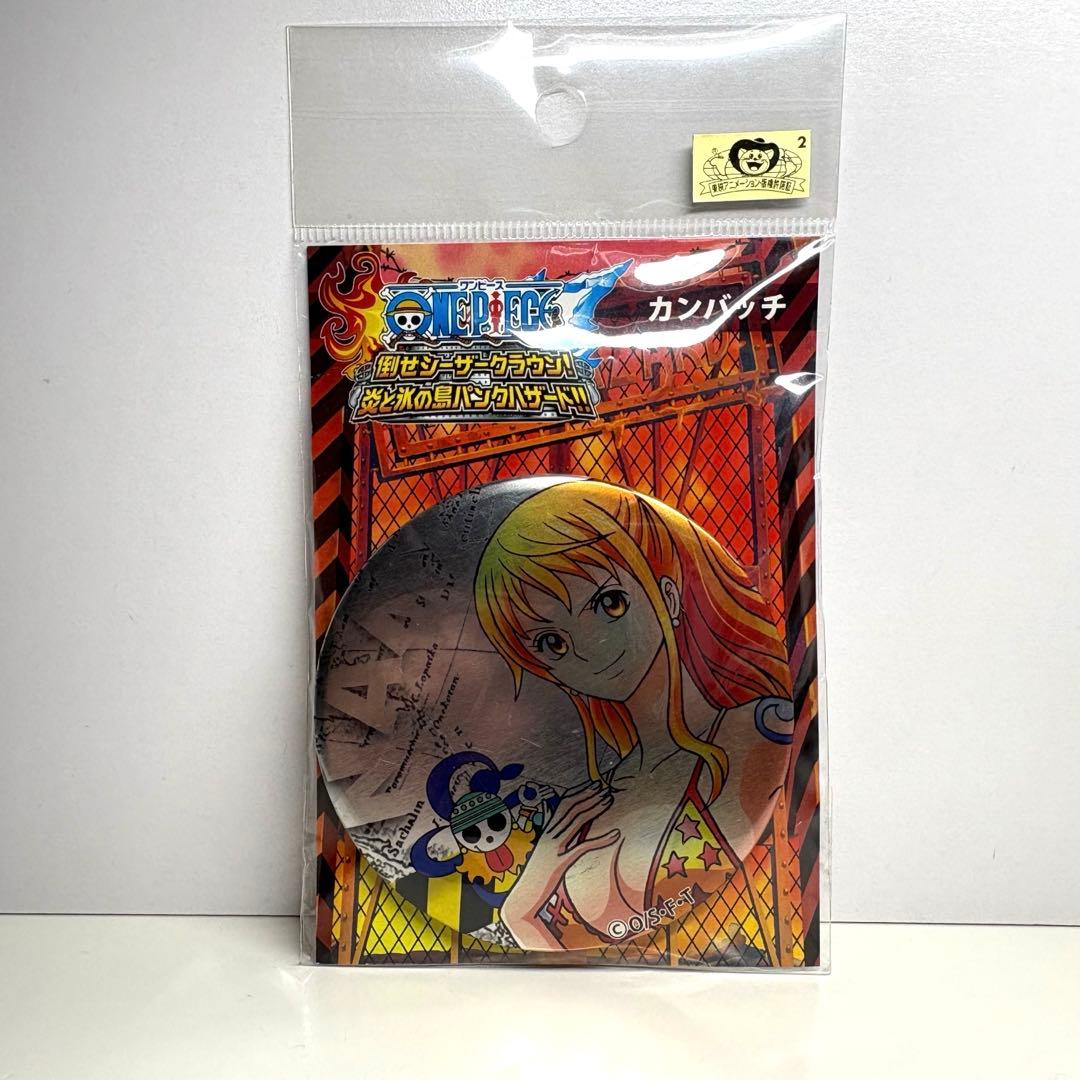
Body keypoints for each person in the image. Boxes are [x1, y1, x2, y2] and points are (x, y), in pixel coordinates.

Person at [473, 479, 794, 950]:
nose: (589, 649)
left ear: (668, 597)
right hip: (568, 988)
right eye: (552, 642)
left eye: (610, 603)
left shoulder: (756, 730)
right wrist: (531, 883)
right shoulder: (586, 804)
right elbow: (530, 935)